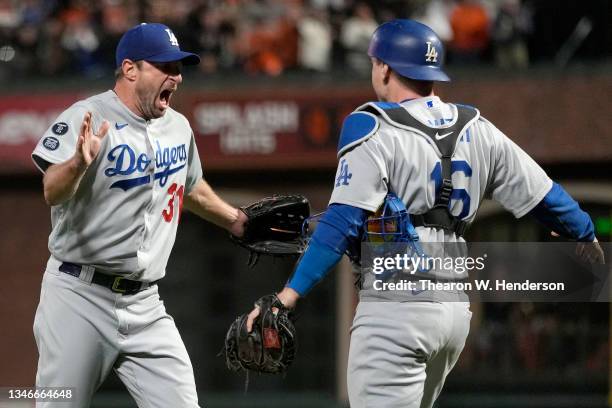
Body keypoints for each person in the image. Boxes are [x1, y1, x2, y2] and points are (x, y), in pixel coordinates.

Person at [247, 19, 604, 408]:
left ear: (384, 67)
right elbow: (546, 196)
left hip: (396, 306)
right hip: (453, 312)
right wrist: (584, 232)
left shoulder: (371, 125)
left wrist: (288, 295)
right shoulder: (477, 126)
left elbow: (342, 221)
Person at [31, 23, 247, 407]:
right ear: (130, 69)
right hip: (79, 295)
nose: (176, 77)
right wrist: (78, 164)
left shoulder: (178, 126)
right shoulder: (89, 116)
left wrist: (235, 219)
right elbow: (52, 189)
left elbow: (190, 187)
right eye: (165, 67)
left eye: (179, 68)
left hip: (146, 303)